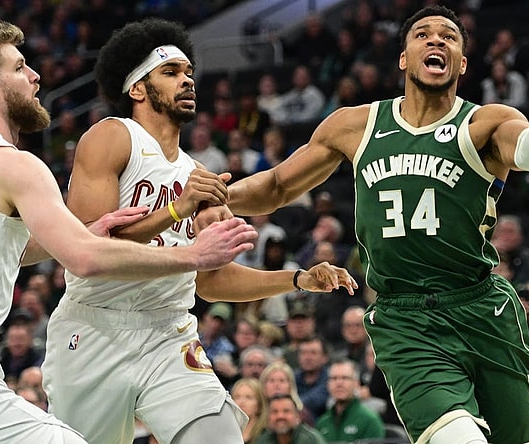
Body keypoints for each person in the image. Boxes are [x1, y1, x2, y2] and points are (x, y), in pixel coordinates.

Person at [214, 3, 529, 442]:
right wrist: (218, 195)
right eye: (423, 34)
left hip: (482, 310)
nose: (436, 40)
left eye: (449, 36)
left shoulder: (485, 122)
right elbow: (277, 185)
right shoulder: (355, 125)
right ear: (403, 57)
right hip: (405, 319)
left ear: (461, 63)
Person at [0, 19, 263, 444]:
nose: (35, 76)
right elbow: (84, 259)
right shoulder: (16, 164)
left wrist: (84, 230)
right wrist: (194, 255)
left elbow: (8, 248)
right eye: (19, 67)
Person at [40, 18, 357, 444]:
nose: (187, 81)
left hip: (168, 332)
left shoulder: (196, 172)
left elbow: (209, 280)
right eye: (170, 73)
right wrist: (176, 208)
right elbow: (87, 251)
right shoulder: (112, 137)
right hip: (95, 328)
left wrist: (298, 279)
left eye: (189, 73)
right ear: (137, 89)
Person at [315, 358, 386, 442]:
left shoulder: (370, 420)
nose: (339, 383)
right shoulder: (322, 422)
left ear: (356, 383)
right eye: (334, 378)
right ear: (327, 384)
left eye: (345, 378)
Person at [255, 393, 326, 444]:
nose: (280, 416)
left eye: (286, 411)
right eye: (275, 412)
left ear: (297, 417)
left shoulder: (311, 439)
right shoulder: (263, 440)